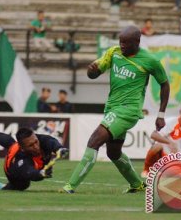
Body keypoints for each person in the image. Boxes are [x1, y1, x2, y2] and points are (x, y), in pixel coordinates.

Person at [62, 26, 170, 194]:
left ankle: (70, 186)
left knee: (94, 141)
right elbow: (95, 73)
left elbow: (165, 84)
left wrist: (161, 114)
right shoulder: (114, 52)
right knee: (113, 153)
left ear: (137, 42)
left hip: (128, 110)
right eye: (121, 42)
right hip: (112, 108)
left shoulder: (150, 60)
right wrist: (92, 71)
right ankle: (136, 184)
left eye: (126, 43)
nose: (122, 45)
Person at [0, 126, 68, 191]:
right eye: (31, 145)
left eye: (36, 142)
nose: (36, 147)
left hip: (18, 148)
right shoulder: (20, 158)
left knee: (10, 143)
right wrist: (41, 173)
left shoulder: (38, 139)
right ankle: (2, 187)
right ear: (22, 148)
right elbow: (29, 172)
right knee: (23, 185)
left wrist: (59, 149)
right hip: (11, 169)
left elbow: (51, 141)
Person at [142, 100, 181, 177]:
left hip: (176, 161)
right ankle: (146, 170)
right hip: (164, 156)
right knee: (157, 146)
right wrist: (170, 142)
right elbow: (153, 135)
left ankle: (163, 171)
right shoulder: (171, 122)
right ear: (180, 111)